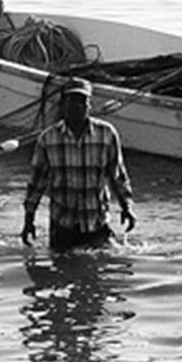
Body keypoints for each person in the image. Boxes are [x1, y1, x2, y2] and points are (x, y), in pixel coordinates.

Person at [21, 78, 136, 252]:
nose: (77, 106)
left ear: (90, 105)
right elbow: (36, 183)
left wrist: (127, 207)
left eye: (83, 101)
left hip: (96, 222)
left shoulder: (106, 134)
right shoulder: (48, 139)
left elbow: (117, 176)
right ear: (62, 105)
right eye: (72, 100)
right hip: (63, 224)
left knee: (98, 268)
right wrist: (29, 220)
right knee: (61, 270)